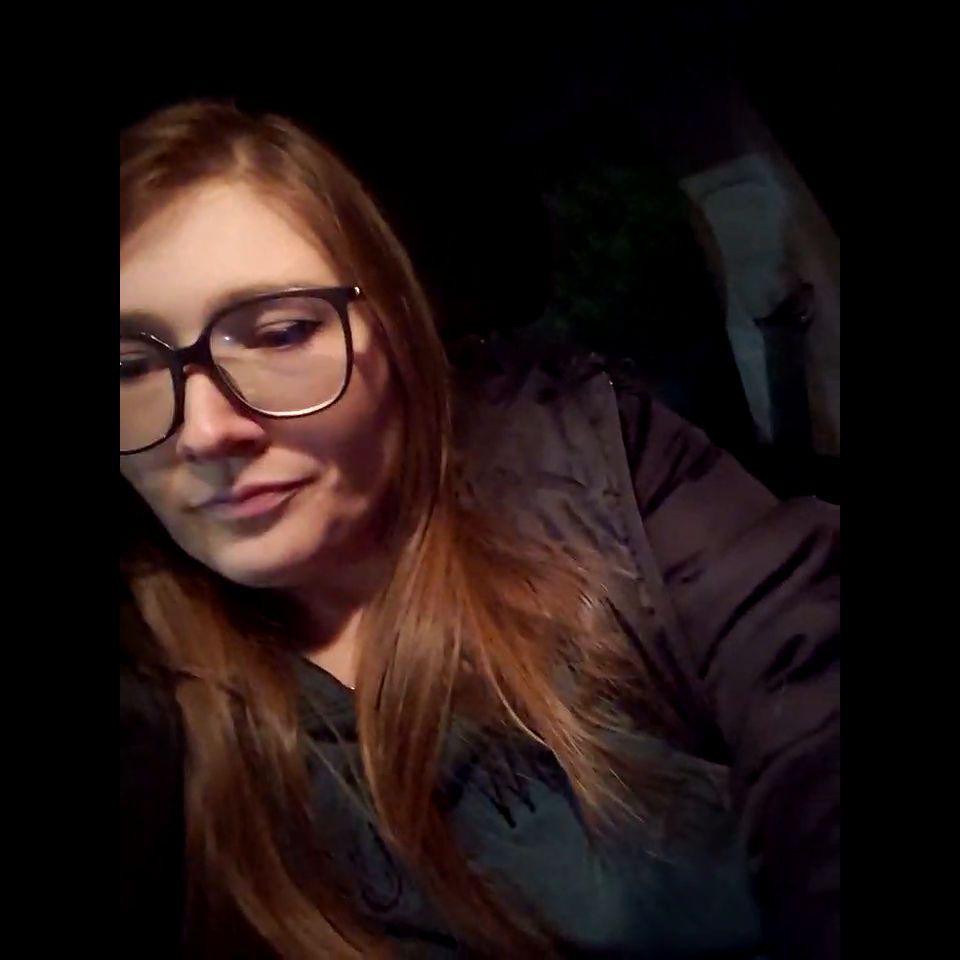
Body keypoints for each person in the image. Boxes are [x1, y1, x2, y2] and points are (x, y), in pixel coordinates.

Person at [120, 101, 839, 959]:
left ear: (395, 330)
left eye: (281, 333)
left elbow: (811, 688)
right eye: (129, 368)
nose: (203, 430)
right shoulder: (149, 669)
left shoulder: (593, 467)